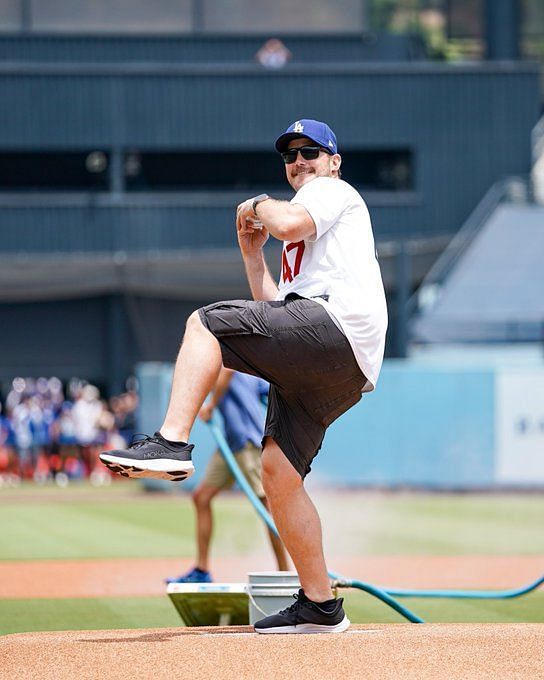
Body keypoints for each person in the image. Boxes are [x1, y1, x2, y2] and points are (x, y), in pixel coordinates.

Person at [101, 118, 388, 634]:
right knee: (278, 476)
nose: (299, 161)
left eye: (310, 152)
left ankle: (171, 442)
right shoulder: (309, 225)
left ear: (333, 161)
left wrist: (256, 204)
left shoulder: (331, 192)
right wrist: (252, 254)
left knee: (205, 322)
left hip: (337, 331)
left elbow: (288, 224)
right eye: (290, 156)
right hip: (336, 361)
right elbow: (273, 310)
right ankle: (321, 606)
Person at [165, 367, 289, 584]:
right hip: (231, 444)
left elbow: (228, 369)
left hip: (247, 440)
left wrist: (211, 405)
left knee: (266, 508)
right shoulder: (245, 366)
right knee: (201, 497)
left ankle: (285, 575)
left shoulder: (229, 357)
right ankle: (202, 571)